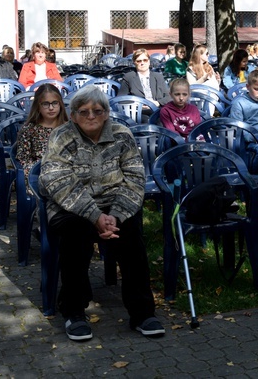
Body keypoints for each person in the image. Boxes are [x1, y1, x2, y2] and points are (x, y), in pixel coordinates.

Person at [39, 86, 163, 341]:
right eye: (83, 112)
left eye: (98, 111)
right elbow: (58, 182)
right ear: (72, 116)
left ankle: (142, 313)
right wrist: (95, 216)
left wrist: (115, 215)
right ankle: (74, 311)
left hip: (115, 204)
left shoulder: (121, 134)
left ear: (107, 113)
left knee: (131, 236)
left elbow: (134, 179)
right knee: (76, 235)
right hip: (70, 205)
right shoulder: (61, 137)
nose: (91, 116)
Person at [15, 83, 68, 179]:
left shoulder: (68, 128)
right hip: (38, 173)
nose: (51, 108)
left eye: (55, 103)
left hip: (66, 171)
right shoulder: (29, 129)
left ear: (60, 104)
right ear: (38, 105)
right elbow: (23, 160)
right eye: (46, 104)